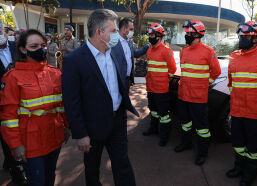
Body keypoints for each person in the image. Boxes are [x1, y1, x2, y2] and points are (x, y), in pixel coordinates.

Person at [62, 9, 139, 186]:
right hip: (92, 127)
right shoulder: (74, 60)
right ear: (99, 32)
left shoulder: (116, 51)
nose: (116, 35)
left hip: (118, 120)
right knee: (92, 169)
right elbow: (71, 101)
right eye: (113, 31)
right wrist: (80, 134)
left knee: (123, 165)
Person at [0, 29, 70, 186]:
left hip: (54, 137)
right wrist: (16, 145)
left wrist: (67, 125)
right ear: (23, 49)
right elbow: (8, 117)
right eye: (34, 46)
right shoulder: (12, 77)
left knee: (50, 177)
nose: (41, 49)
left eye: (43, 45)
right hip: (29, 143)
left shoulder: (55, 73)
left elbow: (61, 105)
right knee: (37, 181)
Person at [226, 21, 257, 186]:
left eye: (245, 36)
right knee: (238, 144)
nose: (241, 38)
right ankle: (239, 167)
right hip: (237, 111)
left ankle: (250, 174)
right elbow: (231, 83)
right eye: (240, 35)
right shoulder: (234, 56)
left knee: (254, 148)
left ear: (255, 38)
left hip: (256, 112)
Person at [175, 20, 221, 165]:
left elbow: (216, 72)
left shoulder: (208, 52)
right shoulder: (184, 51)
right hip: (183, 95)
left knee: (202, 128)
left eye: (189, 33)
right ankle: (186, 143)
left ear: (197, 34)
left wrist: (204, 84)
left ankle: (202, 153)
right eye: (187, 33)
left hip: (198, 98)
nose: (186, 35)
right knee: (185, 123)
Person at [0, 23, 28, 185]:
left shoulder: (16, 47)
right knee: (6, 133)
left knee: (20, 132)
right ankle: (17, 170)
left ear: (4, 31)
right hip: (3, 103)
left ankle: (9, 160)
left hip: (21, 99)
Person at [142, 23, 177, 147]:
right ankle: (153, 129)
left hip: (161, 89)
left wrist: (162, 79)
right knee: (153, 111)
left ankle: (164, 136)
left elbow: (172, 69)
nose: (150, 37)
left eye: (152, 35)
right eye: (149, 35)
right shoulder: (150, 50)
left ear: (159, 36)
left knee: (164, 115)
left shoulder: (166, 51)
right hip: (151, 88)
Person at [112, 18, 149, 91]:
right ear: (124, 29)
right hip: (117, 81)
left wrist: (147, 47)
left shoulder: (129, 42)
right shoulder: (113, 42)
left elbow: (135, 54)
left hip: (127, 80)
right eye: (131, 29)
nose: (133, 32)